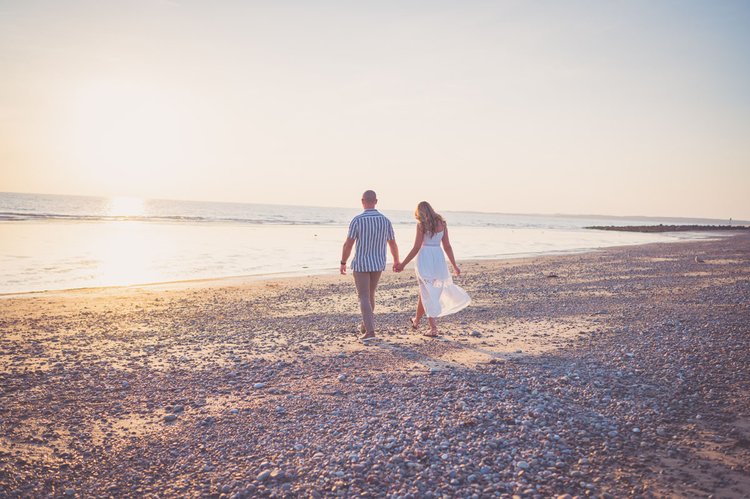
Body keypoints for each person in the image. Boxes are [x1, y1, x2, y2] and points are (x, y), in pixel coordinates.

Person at [396, 201, 470, 336]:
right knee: (425, 290)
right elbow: (447, 246)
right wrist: (454, 265)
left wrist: (403, 264)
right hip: (438, 258)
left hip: (425, 259)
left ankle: (433, 328)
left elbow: (416, 247)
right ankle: (416, 320)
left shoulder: (421, 225)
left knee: (428, 292)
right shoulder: (442, 223)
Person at [340, 190, 400, 341]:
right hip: (378, 263)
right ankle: (366, 325)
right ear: (376, 201)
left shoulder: (357, 220)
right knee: (370, 294)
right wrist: (396, 260)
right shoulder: (385, 220)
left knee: (364, 296)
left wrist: (343, 262)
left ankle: (370, 332)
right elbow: (392, 243)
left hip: (361, 263)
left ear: (362, 201)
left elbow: (348, 244)